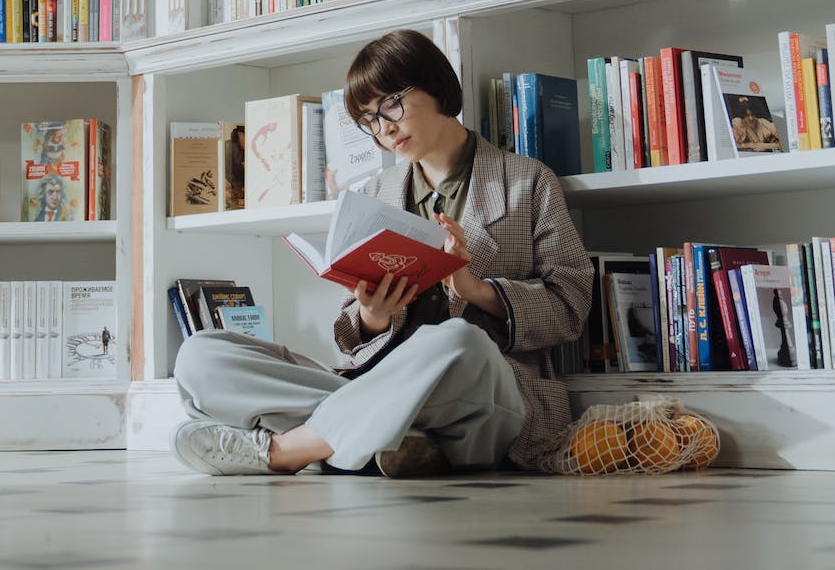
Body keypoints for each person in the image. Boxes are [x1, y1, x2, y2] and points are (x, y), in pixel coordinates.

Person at [171, 29, 594, 478]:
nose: (384, 128)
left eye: (391, 104)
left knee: (458, 341)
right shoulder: (371, 196)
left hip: (486, 393)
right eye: (369, 119)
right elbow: (351, 334)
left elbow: (571, 306)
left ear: (436, 86)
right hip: (377, 380)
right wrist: (372, 315)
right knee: (201, 354)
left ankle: (286, 449)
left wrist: (477, 290)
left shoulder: (528, 182)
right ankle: (400, 441)